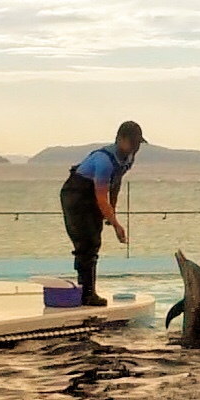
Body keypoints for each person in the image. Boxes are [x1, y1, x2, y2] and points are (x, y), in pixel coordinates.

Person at [60, 121, 145, 306]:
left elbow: (116, 184)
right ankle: (87, 294)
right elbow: (100, 197)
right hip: (76, 194)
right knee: (87, 242)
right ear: (120, 139)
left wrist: (112, 210)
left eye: (138, 144)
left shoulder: (128, 159)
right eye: (132, 143)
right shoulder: (104, 161)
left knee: (94, 241)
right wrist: (116, 225)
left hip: (93, 194)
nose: (135, 148)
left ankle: (86, 291)